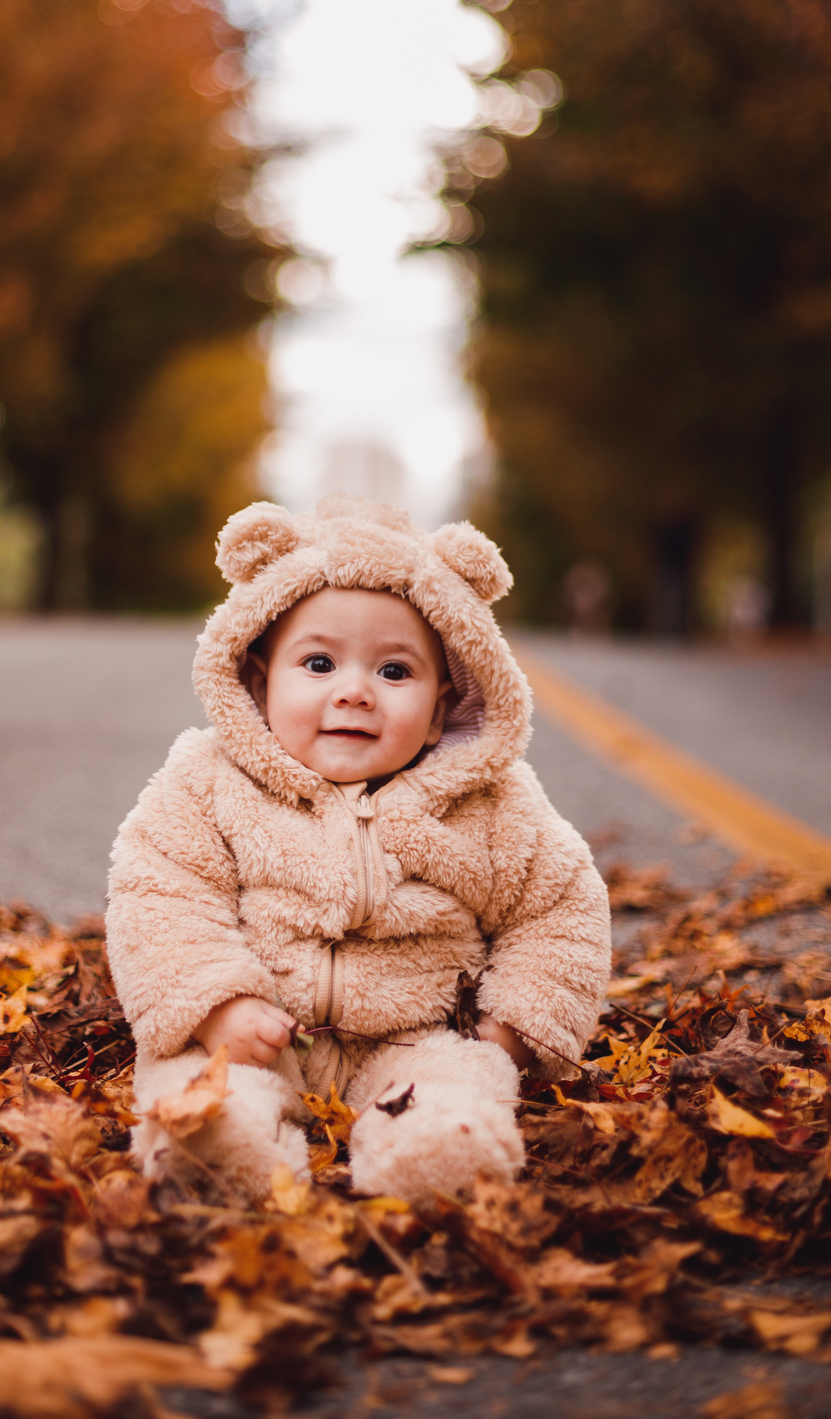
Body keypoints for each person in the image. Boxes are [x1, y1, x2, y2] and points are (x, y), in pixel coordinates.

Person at [105, 496, 611, 1203]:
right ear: (259, 681)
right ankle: (220, 1143)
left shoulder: (493, 804)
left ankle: (436, 1147)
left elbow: (560, 910)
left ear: (440, 709)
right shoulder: (206, 783)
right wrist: (218, 1006)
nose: (353, 693)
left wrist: (511, 1031)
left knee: (452, 1084)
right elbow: (159, 892)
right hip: (254, 1032)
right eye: (318, 663)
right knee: (199, 1079)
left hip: (415, 1035)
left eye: (394, 673)